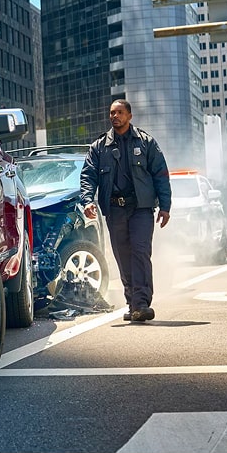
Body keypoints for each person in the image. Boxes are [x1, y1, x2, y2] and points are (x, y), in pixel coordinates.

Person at [80, 99, 172, 322]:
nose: (115, 116)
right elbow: (88, 177)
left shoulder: (146, 142)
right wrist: (87, 201)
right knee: (123, 255)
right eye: (112, 112)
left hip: (141, 208)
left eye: (120, 112)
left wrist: (165, 206)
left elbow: (160, 174)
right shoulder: (99, 147)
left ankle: (141, 302)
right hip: (114, 209)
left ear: (130, 116)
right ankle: (132, 303)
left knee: (140, 252)